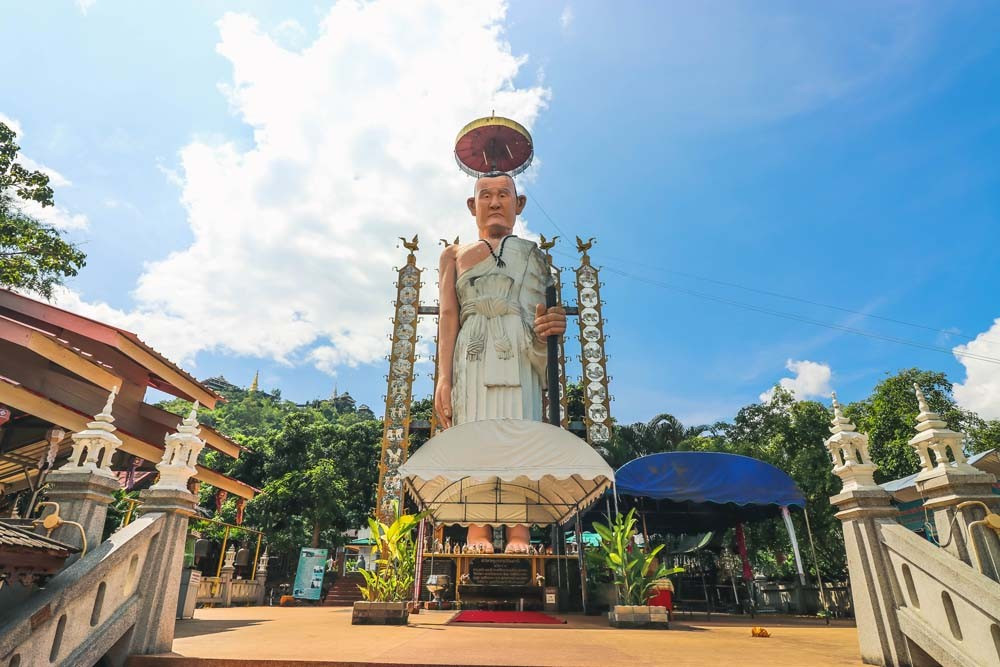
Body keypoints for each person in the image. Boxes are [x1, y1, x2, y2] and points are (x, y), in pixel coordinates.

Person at [434, 171, 567, 553]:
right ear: (471, 205)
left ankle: (518, 532)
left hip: (519, 350)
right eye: (486, 194)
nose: (494, 202)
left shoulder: (533, 257)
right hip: (472, 352)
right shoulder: (453, 256)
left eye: (503, 194)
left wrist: (549, 328)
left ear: (518, 203)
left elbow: (540, 317)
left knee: (519, 435)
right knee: (474, 434)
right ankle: (478, 530)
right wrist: (444, 379)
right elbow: (448, 316)